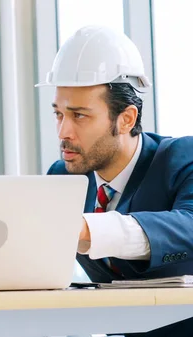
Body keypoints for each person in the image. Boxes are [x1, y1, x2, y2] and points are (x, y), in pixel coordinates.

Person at [39, 25, 193, 336]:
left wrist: (87, 229)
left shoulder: (180, 158)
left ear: (126, 119)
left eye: (79, 115)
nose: (63, 133)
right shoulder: (63, 178)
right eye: (59, 114)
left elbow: (188, 226)